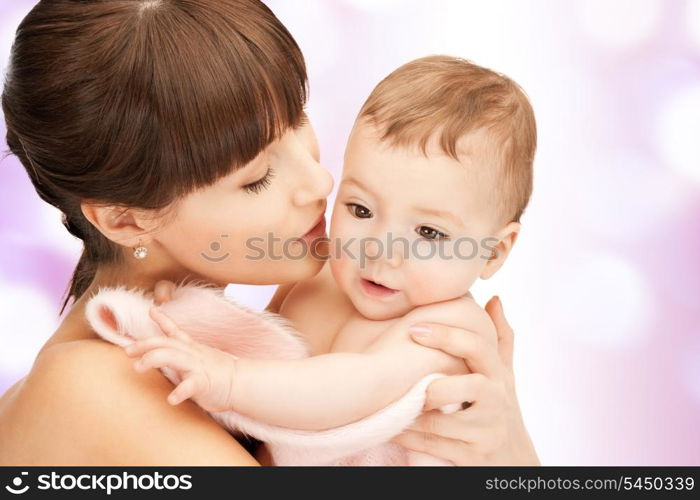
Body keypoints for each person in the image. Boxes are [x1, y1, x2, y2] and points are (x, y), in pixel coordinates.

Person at [0, 0, 537, 466]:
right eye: (256, 178)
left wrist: (504, 445)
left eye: (297, 118)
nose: (318, 181)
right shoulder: (93, 387)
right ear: (125, 219)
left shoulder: (225, 328)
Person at [122, 56, 538, 466]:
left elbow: (353, 388)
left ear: (493, 251)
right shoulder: (317, 277)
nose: (378, 249)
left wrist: (228, 380)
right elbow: (263, 359)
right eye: (360, 209)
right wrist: (198, 322)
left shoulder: (447, 331)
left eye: (428, 233)